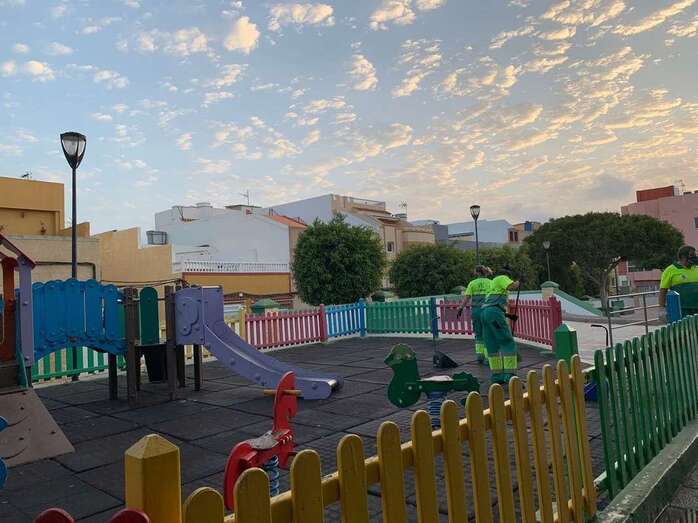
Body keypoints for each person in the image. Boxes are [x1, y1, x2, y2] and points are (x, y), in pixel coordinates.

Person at [481, 266, 520, 385]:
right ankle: (510, 375)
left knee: (492, 345)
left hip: (485, 314)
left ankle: (496, 376)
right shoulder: (502, 278)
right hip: (494, 314)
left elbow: (494, 305)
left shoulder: (492, 284)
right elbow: (512, 286)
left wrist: (508, 315)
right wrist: (519, 281)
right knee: (507, 342)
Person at [458, 265, 493, 363]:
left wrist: (460, 308)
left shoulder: (472, 283)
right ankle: (488, 358)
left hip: (476, 311)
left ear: (477, 273)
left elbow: (466, 298)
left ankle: (480, 357)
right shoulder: (491, 282)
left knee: (478, 334)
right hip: (488, 310)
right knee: (488, 333)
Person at [658, 245, 698, 319]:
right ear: (682, 256)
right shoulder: (670, 270)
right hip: (680, 309)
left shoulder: (696, 268)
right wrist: (661, 309)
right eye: (692, 255)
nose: (694, 258)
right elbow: (663, 290)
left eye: (695, 255)